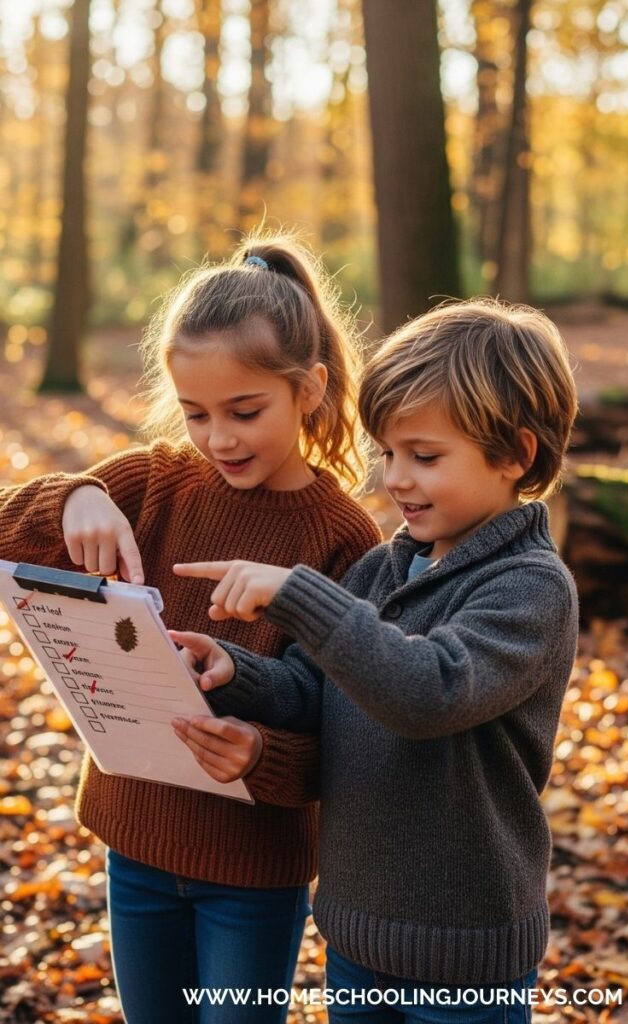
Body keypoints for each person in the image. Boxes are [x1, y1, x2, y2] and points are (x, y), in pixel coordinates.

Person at [0, 233, 381, 1024]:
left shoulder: (342, 539)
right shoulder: (155, 481)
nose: (218, 438)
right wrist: (72, 496)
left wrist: (261, 756)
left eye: (245, 411)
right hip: (133, 839)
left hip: (252, 865)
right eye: (196, 413)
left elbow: (348, 725)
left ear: (307, 390)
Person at [170, 298, 580, 1024]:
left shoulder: (528, 588)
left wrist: (301, 596)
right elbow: (317, 690)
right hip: (356, 934)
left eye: (424, 457)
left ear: (515, 454)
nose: (396, 478)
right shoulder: (384, 569)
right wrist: (236, 671)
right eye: (387, 453)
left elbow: (426, 692)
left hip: (463, 955)